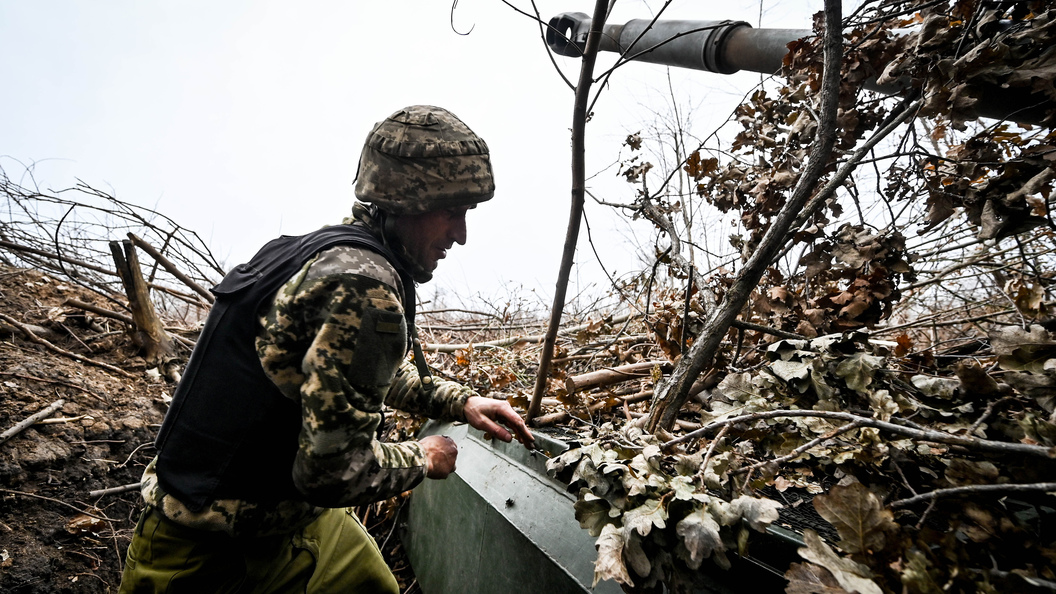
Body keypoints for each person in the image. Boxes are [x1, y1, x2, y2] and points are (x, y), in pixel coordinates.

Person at [119, 105, 535, 593]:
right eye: (454, 214)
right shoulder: (361, 284)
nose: (460, 235)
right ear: (410, 201)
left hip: (291, 520)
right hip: (207, 545)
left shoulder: (317, 252)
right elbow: (332, 473)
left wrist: (457, 401)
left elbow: (337, 372)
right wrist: (425, 457)